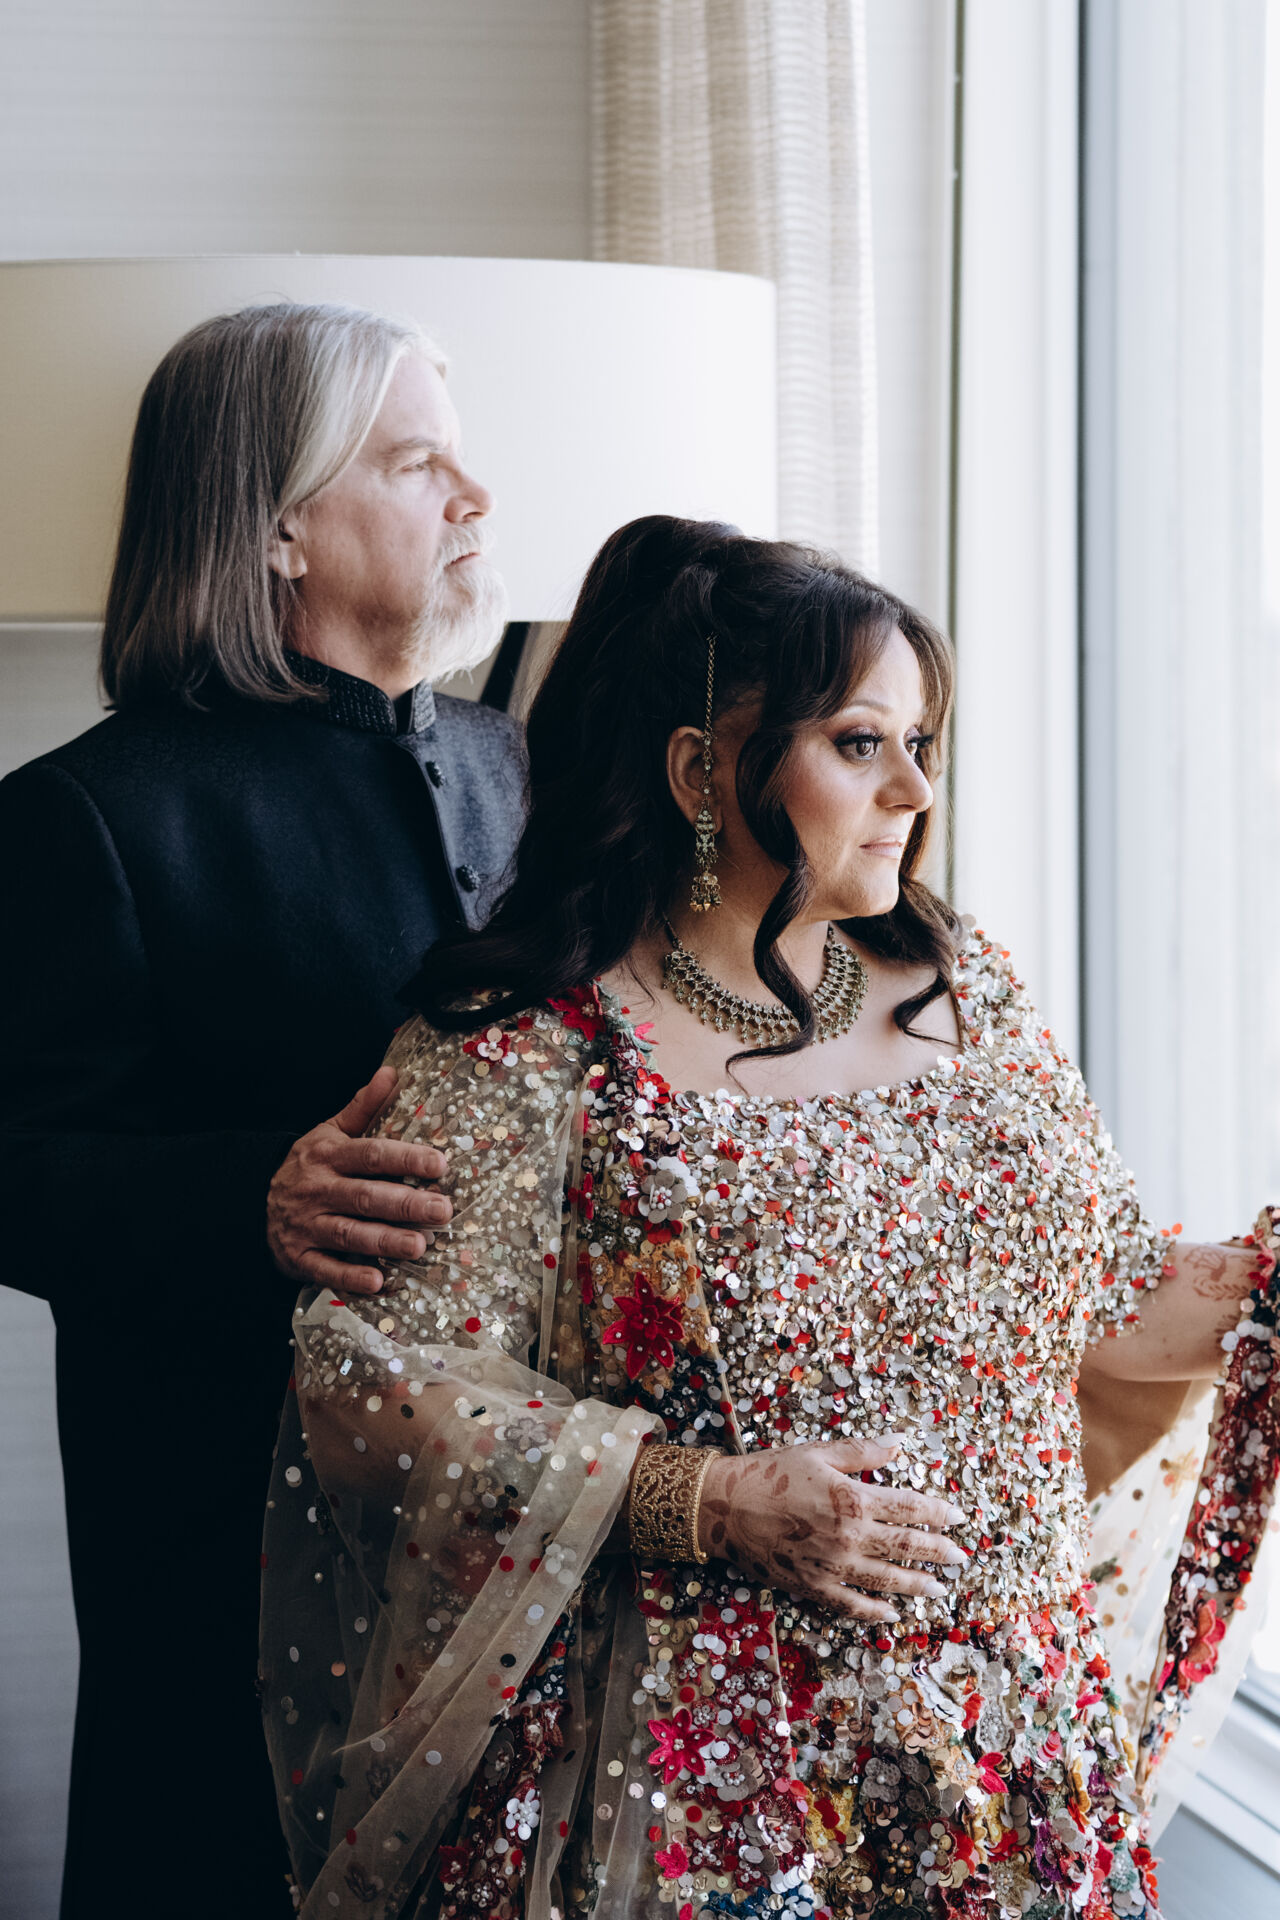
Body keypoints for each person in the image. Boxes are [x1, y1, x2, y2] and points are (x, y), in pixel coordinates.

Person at [260, 517, 1279, 1920]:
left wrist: (1263, 1285)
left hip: (1009, 1756)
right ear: (701, 770)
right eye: (861, 744)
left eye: (922, 742)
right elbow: (374, 1397)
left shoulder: (965, 991)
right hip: (703, 1778)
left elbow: (1097, 1296)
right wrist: (711, 1501)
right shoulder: (526, 1047)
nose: (916, 788)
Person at [0, 303, 527, 1918]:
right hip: (221, 1532)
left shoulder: (521, 771)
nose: (475, 498)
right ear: (279, 526)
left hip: (522, 1530)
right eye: (418, 464)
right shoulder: (86, 817)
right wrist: (255, 1200)